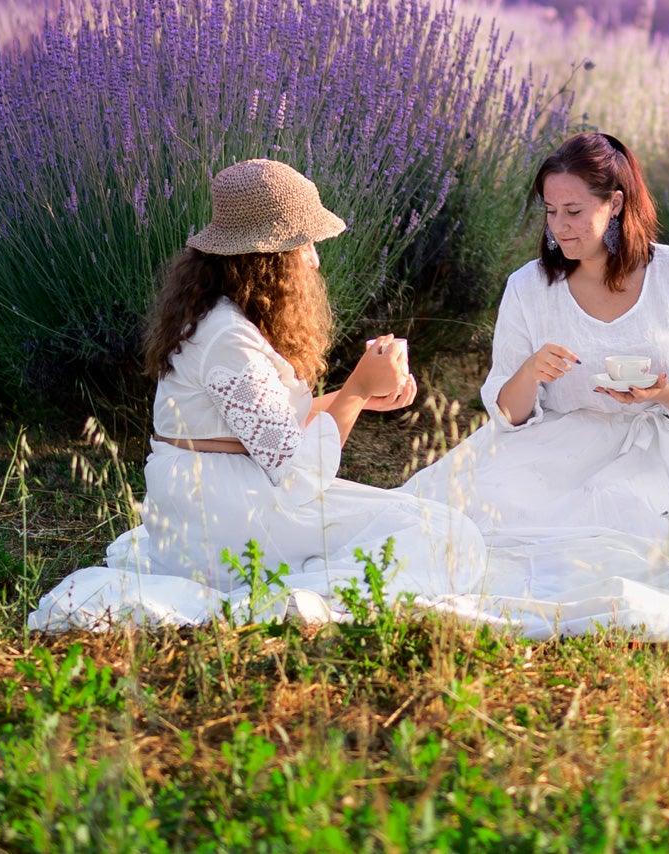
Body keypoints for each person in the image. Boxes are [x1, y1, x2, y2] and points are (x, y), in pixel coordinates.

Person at [137, 157, 485, 599]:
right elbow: (298, 477)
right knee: (449, 538)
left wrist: (361, 397)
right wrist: (358, 388)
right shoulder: (227, 338)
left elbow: (268, 426)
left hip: (218, 501)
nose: (315, 260)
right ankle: (304, 590)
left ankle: (311, 573)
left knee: (435, 525)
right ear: (268, 258)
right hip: (225, 515)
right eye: (305, 245)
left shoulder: (224, 319)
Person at [404, 131, 669, 557]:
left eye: (573, 211)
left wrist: (658, 392)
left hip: (644, 456)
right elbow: (508, 415)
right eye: (551, 211)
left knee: (621, 538)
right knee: (457, 528)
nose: (559, 226)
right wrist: (529, 373)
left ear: (615, 204)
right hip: (548, 453)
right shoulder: (528, 286)